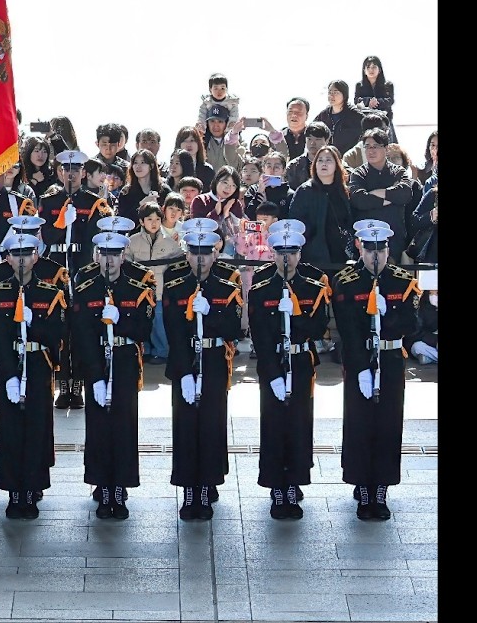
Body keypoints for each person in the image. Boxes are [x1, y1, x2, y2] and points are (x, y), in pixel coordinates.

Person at [332, 222, 421, 521]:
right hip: (360, 360)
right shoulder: (346, 280)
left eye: (380, 249)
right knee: (359, 423)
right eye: (369, 249)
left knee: (387, 424)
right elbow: (347, 328)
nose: (375, 255)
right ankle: (362, 486)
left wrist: (390, 316)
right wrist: (360, 368)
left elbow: (413, 323)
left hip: (392, 358)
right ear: (359, 246)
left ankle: (380, 489)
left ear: (388, 249)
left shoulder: (400, 280)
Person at [247, 229, 331, 519]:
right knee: (273, 425)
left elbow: (317, 329)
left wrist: (295, 314)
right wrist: (272, 374)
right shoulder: (260, 289)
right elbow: (259, 336)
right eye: (281, 253)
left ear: (299, 255)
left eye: (292, 253)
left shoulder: (312, 288)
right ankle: (276, 487)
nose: (286, 258)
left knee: (298, 425)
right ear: (272, 254)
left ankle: (294, 484)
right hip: (273, 364)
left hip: (301, 362)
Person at [72, 231, 154, 519]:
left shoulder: (136, 290)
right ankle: (102, 486)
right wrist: (93, 375)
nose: (109, 260)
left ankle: (119, 487)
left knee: (123, 425)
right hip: (97, 360)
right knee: (98, 428)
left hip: (124, 360)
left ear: (123, 256)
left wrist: (123, 321)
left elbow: (145, 331)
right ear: (96, 256)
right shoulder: (86, 289)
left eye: (115, 254)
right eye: (104, 254)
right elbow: (80, 335)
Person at [162, 230, 243, 521]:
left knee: (211, 424)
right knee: (185, 426)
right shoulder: (175, 286)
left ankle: (207, 485)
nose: (200, 258)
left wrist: (211, 315)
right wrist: (184, 372)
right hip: (185, 360)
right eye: (195, 253)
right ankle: (188, 489)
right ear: (187, 255)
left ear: (215, 255)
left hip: (213, 360)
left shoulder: (226, 288)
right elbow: (173, 330)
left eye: (206, 253)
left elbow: (235, 330)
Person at [0, 233, 66, 518]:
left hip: (38, 364)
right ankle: (13, 490)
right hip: (9, 366)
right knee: (9, 431)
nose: (21, 260)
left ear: (35, 256)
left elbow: (59, 335)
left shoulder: (50, 293)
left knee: (36, 429)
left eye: (26, 254)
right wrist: (6, 375)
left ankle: (31, 490)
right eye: (14, 254)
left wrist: (37, 324)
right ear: (7, 258)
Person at [39, 149, 113, 408]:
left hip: (81, 267)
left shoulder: (93, 203)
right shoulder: (49, 202)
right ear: (61, 172)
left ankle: (78, 384)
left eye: (76, 170)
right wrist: (60, 224)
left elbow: (98, 240)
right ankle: (62, 384)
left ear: (83, 173)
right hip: (57, 266)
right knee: (60, 329)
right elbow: (46, 238)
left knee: (80, 329)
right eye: (66, 170)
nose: (70, 174)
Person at [126, 202, 181, 363]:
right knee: (141, 321)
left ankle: (162, 351)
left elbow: (180, 260)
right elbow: (127, 262)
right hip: (139, 292)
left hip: (160, 292)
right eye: (149, 219)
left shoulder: (169, 242)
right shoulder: (132, 241)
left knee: (159, 323)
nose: (154, 222)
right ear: (142, 221)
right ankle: (146, 351)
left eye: (157, 219)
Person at [288, 145, 354, 271]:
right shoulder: (305, 190)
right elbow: (295, 223)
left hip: (340, 254)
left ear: (337, 165)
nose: (324, 163)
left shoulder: (343, 191)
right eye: (320, 160)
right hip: (313, 256)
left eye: (328, 160)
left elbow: (350, 219)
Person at [348, 129, 411, 260]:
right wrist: (389, 199)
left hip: (393, 239)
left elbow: (405, 193)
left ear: (386, 149)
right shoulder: (359, 174)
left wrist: (377, 193)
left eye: (375, 146)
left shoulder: (398, 172)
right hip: (366, 241)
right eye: (367, 147)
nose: (371, 151)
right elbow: (359, 200)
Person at [111, 149, 170, 223]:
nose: (138, 166)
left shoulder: (164, 190)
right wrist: (141, 205)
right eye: (135, 163)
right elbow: (123, 220)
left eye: (143, 162)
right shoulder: (126, 192)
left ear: (151, 166)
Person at [313, 80, 366, 155]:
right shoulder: (324, 115)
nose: (331, 95)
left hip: (349, 158)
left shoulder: (355, 115)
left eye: (335, 92)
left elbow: (368, 131)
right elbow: (312, 130)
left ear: (344, 95)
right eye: (330, 92)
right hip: (328, 157)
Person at [355, 56, 396, 143]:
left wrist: (377, 102)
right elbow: (356, 100)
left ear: (379, 69)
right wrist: (368, 101)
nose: (371, 70)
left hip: (384, 121)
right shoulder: (360, 85)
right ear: (364, 70)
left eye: (374, 67)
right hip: (366, 120)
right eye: (368, 67)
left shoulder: (387, 85)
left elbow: (390, 100)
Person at [284, 121, 331, 190]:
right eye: (309, 139)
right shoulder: (293, 166)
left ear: (327, 141)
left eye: (317, 139)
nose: (312, 143)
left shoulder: (334, 164)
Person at [201, 105, 245, 173]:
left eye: (220, 121)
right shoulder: (201, 143)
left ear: (226, 123)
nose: (216, 125)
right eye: (212, 121)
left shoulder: (238, 143)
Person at [279, 97, 311, 161]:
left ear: (306, 116)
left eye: (299, 112)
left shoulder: (314, 135)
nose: (294, 115)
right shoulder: (278, 137)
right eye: (290, 111)